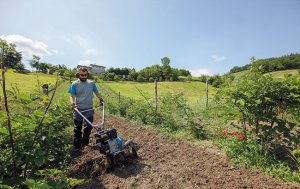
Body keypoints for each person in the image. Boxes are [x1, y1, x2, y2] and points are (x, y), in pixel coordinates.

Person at [68, 67, 104, 151]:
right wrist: (72, 103)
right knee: (77, 128)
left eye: (85, 75)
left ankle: (85, 142)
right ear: (78, 74)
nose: (84, 76)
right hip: (78, 109)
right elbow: (71, 96)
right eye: (82, 75)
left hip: (89, 108)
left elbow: (97, 93)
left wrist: (101, 99)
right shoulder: (74, 84)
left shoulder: (91, 83)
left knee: (88, 127)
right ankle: (77, 145)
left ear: (87, 74)